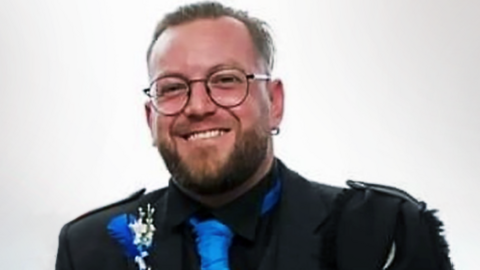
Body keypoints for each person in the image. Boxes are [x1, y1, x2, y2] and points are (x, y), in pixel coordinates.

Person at [55, 2, 453, 270]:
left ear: (274, 102)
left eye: (226, 80)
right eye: (172, 88)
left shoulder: (380, 235)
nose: (197, 106)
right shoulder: (92, 249)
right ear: (150, 117)